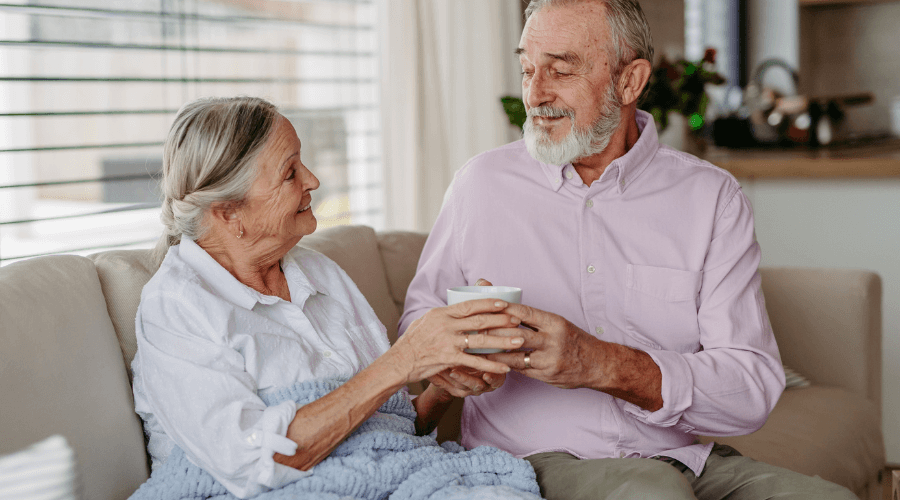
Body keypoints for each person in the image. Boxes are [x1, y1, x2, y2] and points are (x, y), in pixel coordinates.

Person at [399, 1, 856, 499]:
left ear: (630, 81)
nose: (534, 94)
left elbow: (750, 390)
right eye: (528, 68)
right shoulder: (480, 186)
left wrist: (600, 363)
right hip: (531, 465)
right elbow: (417, 337)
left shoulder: (711, 197)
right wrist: (455, 362)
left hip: (685, 462)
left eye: (561, 69)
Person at [129, 96, 542, 500]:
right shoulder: (176, 307)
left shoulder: (319, 272)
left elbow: (383, 429)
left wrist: (442, 390)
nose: (312, 180)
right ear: (228, 212)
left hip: (389, 473)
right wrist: (404, 360)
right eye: (290, 173)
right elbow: (252, 463)